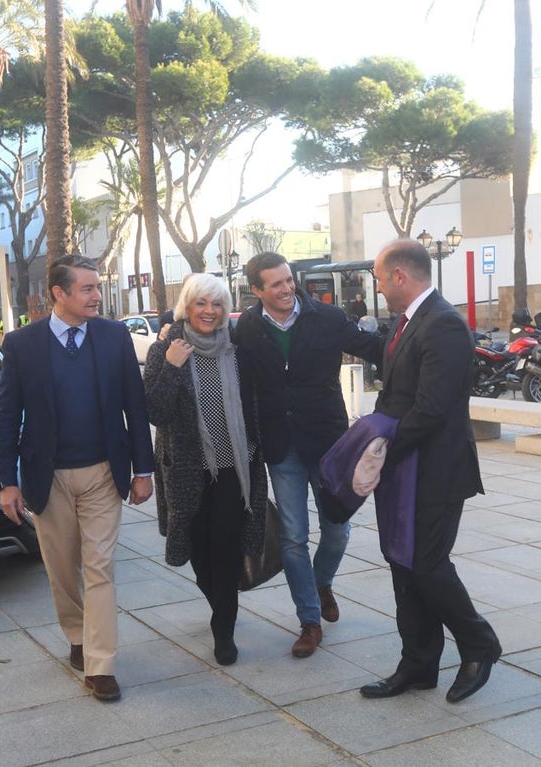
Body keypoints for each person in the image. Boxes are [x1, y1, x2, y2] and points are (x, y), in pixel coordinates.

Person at [0, 255, 155, 702]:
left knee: (99, 566)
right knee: (62, 568)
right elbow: (6, 415)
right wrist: (7, 479)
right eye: (86, 289)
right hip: (48, 477)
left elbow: (134, 406)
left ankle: (101, 665)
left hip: (105, 472)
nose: (97, 296)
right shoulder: (22, 344)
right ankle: (78, 636)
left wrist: (144, 469)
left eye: (97, 287)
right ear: (57, 295)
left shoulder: (114, 336)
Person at [359, 238, 501, 704]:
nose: (378, 289)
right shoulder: (408, 322)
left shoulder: (442, 324)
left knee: (426, 566)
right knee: (404, 566)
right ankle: (418, 664)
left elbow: (432, 409)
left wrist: (380, 447)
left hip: (436, 470)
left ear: (399, 275)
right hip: (406, 470)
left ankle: (479, 643)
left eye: (380, 279)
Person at [233, 252, 383, 658]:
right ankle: (310, 621)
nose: (286, 289)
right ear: (257, 290)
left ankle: (322, 580)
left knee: (338, 529)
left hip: (330, 445)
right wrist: (169, 336)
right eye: (275, 284)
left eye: (288, 280)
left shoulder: (328, 318)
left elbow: (375, 349)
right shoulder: (246, 328)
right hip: (281, 448)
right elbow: (212, 349)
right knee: (293, 537)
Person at [144, 274, 268, 666]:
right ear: (187, 306)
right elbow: (155, 411)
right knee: (196, 545)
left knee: (226, 547)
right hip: (187, 468)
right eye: (201, 303)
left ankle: (224, 629)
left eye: (217, 304)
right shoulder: (167, 347)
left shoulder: (239, 348)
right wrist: (172, 367)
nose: (209, 312)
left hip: (237, 468)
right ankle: (221, 605)